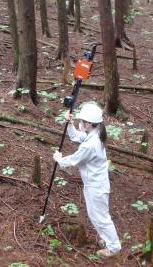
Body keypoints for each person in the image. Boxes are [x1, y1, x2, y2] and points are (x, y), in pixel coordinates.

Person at [53, 102, 122, 258]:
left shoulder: (91, 144)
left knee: (101, 217)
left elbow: (74, 160)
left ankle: (114, 247)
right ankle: (107, 240)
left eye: (81, 121)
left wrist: (59, 159)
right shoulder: (95, 134)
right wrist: (69, 124)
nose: (80, 123)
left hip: (96, 186)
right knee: (94, 215)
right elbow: (77, 136)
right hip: (94, 184)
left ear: (89, 123)